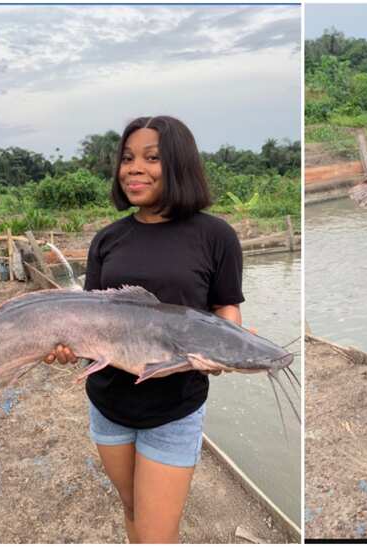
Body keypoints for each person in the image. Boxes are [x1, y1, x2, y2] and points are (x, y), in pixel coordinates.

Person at [45, 115, 243, 543]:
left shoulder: (216, 236)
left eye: (151, 158)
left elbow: (225, 305)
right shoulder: (107, 239)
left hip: (174, 409)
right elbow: (91, 316)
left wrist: (225, 348)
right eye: (127, 158)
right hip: (108, 405)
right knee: (134, 507)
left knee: (157, 533)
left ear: (179, 164)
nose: (134, 168)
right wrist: (66, 348)